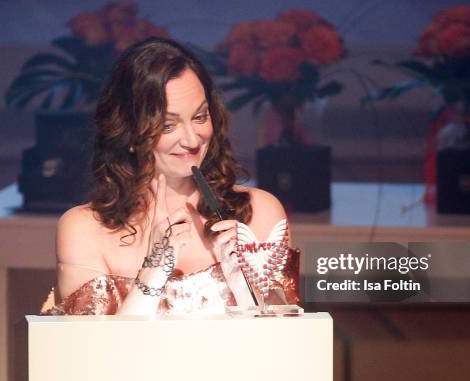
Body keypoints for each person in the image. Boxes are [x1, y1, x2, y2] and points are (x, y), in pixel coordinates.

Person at [40, 38, 298, 316]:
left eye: (200, 117)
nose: (191, 139)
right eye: (168, 125)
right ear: (128, 133)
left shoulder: (259, 214)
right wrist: (150, 275)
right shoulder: (84, 230)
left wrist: (246, 290)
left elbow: (284, 346)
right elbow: (89, 354)